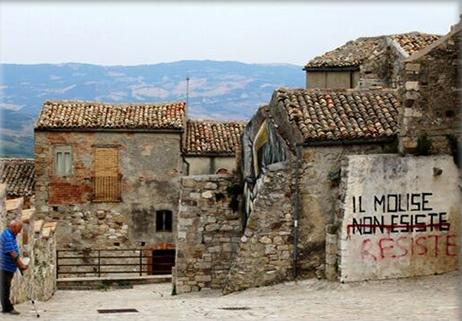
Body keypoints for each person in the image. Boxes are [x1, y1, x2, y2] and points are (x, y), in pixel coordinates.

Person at [1, 219, 28, 315]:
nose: (20, 231)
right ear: (14, 227)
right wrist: (21, 265)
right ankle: (8, 308)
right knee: (5, 288)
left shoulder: (11, 235)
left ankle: (6, 308)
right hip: (4, 266)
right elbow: (12, 253)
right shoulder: (8, 236)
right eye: (19, 229)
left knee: (6, 288)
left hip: (8, 266)